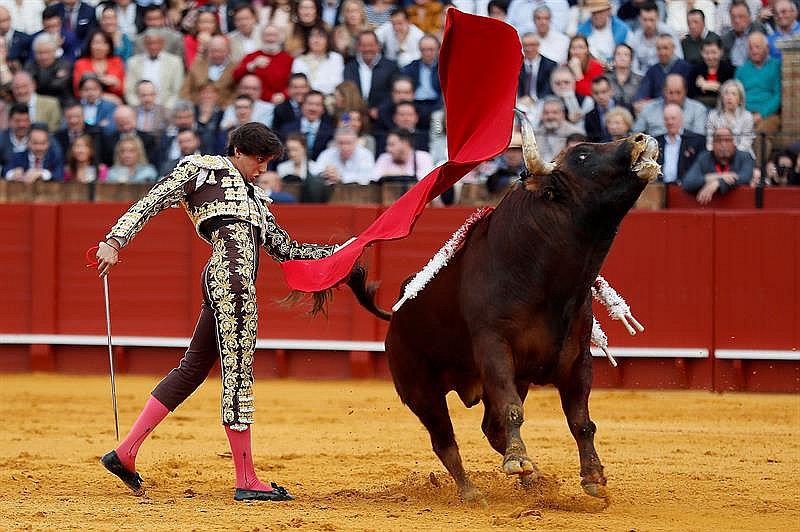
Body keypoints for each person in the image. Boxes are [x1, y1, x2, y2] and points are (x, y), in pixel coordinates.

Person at [97, 122, 345, 502]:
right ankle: (246, 478)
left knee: (194, 367)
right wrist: (114, 240)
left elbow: (287, 250)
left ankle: (126, 453)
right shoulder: (201, 169)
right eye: (260, 159)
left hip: (227, 280)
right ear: (240, 151)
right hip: (232, 282)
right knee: (238, 372)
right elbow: (152, 200)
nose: (263, 167)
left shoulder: (258, 200)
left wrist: (344, 251)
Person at [734, 32, 781, 157]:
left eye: (757, 47)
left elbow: (778, 95)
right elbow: (735, 96)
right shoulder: (741, 70)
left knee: (761, 134)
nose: (754, 51)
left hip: (768, 115)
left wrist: (762, 114)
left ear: (767, 48)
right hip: (744, 113)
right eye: (750, 48)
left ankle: (758, 173)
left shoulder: (776, 66)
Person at [683, 126, 754, 204]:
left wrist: (718, 183)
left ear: (734, 143)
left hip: (738, 205)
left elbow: (745, 177)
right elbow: (688, 182)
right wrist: (717, 176)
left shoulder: (745, 157)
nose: (723, 144)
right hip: (708, 207)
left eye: (727, 140)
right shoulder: (704, 157)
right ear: (712, 144)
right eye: (719, 140)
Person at [343, 30, 400, 117]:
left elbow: (394, 93)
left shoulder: (391, 67)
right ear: (358, 47)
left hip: (383, 116)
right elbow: (347, 92)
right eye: (363, 45)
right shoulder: (350, 67)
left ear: (378, 46)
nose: (367, 49)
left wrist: (380, 109)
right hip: (355, 116)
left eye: (371, 45)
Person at [232, 24, 294, 104]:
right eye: (267, 35)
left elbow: (294, 83)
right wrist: (252, 65)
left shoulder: (288, 59)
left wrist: (284, 95)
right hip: (255, 103)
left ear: (280, 38)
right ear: (261, 37)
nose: (270, 39)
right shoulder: (252, 56)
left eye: (274, 35)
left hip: (280, 103)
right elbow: (235, 76)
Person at [125, 29, 185, 110]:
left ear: (163, 43)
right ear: (144, 44)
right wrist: (138, 107)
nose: (153, 46)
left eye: (156, 43)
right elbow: (129, 91)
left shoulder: (175, 62)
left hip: (166, 108)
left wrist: (166, 108)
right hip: (139, 108)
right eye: (149, 43)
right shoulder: (133, 62)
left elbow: (177, 91)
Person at [633, 73, 708, 136]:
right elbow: (635, 135)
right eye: (670, 93)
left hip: (686, 150)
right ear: (663, 91)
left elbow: (699, 138)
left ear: (685, 91)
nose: (674, 97)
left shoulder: (698, 109)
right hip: (654, 150)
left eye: (678, 92)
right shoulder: (648, 108)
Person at [634, 33, 693, 108]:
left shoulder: (685, 68)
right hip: (656, 110)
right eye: (659, 48)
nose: (662, 52)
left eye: (665, 48)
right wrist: (640, 102)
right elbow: (642, 92)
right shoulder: (652, 70)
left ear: (673, 48)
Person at [655, 103, 706, 184]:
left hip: (685, 188)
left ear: (681, 119)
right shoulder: (656, 142)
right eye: (666, 119)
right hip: (660, 188)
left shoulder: (696, 141)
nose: (670, 122)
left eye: (673, 118)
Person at [628, 1, 683, 75]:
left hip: (666, 75)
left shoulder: (669, 33)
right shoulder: (636, 37)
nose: (648, 24)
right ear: (640, 19)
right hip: (642, 78)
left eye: (651, 20)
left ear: (658, 18)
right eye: (645, 20)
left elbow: (678, 59)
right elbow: (633, 66)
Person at [181, 35, 237, 107]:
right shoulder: (197, 66)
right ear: (208, 51)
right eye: (213, 51)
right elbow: (185, 91)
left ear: (228, 51)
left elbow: (237, 92)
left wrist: (225, 107)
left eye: (220, 51)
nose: (217, 54)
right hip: (197, 109)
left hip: (225, 110)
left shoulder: (235, 68)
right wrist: (194, 106)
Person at [279, 90, 336, 160]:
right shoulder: (286, 129)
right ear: (302, 106)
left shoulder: (330, 132)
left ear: (323, 109)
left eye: (317, 105)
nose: (313, 108)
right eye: (309, 104)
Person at [72, 29, 126, 102]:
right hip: (87, 103)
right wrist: (103, 96)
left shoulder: (117, 61)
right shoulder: (80, 63)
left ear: (109, 46)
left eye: (104, 43)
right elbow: (78, 91)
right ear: (90, 45)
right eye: (96, 43)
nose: (99, 47)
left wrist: (115, 83)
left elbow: (123, 89)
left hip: (116, 104)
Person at [291, 23, 345, 95]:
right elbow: (298, 85)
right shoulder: (299, 60)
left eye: (320, 36)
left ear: (327, 39)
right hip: (305, 100)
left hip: (330, 99)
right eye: (312, 36)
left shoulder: (336, 58)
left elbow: (337, 83)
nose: (316, 40)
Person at [705, 79, 755, 156]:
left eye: (734, 94)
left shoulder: (747, 117)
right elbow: (710, 143)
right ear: (722, 97)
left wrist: (729, 156)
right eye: (726, 93)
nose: (729, 97)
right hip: (717, 157)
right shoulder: (713, 115)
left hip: (741, 156)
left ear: (740, 99)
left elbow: (745, 144)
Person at [24, 33, 73, 108]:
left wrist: (36, 84)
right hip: (36, 106)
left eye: (47, 52)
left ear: (54, 51)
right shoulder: (29, 66)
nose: (44, 57)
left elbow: (57, 85)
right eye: (39, 53)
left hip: (61, 104)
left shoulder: (64, 64)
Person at [533, 96, 585, 162]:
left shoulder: (575, 133)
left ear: (563, 114)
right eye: (546, 113)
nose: (550, 116)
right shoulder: (535, 133)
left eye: (554, 112)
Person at [689, 37, 735, 109]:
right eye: (706, 53)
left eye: (714, 52)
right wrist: (716, 87)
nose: (710, 57)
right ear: (701, 53)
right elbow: (691, 94)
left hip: (724, 109)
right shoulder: (695, 70)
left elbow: (733, 93)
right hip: (700, 108)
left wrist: (708, 85)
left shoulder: (730, 69)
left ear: (721, 51)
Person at [721, 0, 766, 67]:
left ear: (749, 17)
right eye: (733, 17)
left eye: (741, 16)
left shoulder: (758, 30)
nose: (737, 20)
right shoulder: (726, 39)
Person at [584, 75, 629, 142]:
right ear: (592, 94)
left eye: (604, 92)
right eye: (596, 93)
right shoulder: (589, 117)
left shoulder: (626, 107)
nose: (600, 96)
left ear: (611, 91)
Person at [607, 43, 642, 109]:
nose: (622, 57)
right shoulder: (606, 79)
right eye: (618, 54)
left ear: (631, 60)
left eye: (626, 55)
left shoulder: (640, 80)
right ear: (613, 59)